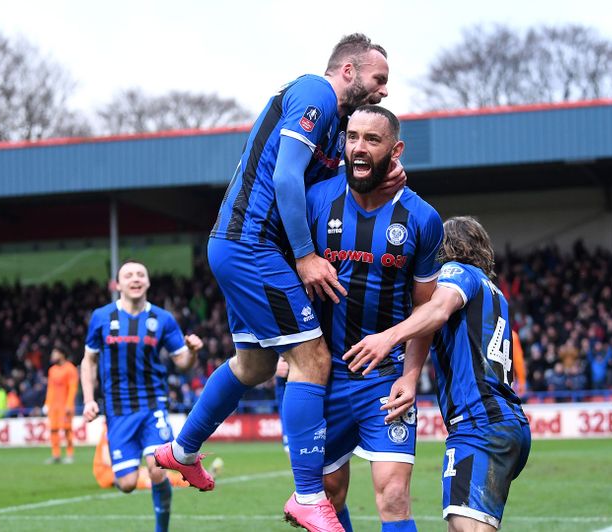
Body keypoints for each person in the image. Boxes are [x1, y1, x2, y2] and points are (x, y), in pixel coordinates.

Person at [155, 33, 397, 531]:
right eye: (379, 79)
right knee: (312, 360)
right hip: (254, 246)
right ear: (348, 71)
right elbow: (287, 178)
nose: (384, 91)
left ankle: (182, 449)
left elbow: (316, 187)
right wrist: (306, 256)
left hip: (242, 245)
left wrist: (376, 180)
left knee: (255, 363)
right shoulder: (314, 92)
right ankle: (308, 496)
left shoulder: (332, 126)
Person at [344, 216, 531, 532]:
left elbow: (437, 309)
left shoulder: (457, 272)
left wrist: (388, 337)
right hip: (507, 424)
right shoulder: (495, 293)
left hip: (478, 425)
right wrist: (411, 376)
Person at [308, 105, 442, 531]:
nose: (359, 148)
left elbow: (426, 308)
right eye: (352, 138)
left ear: (396, 149)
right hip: (323, 374)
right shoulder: (317, 200)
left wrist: (411, 375)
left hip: (385, 377)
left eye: (372, 139)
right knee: (328, 493)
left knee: (394, 495)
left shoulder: (421, 218)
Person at [81, 259, 203, 532]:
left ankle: (162, 529)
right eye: (129, 275)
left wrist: (193, 351)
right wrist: (89, 400)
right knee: (125, 485)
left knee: (156, 467)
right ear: (117, 284)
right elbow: (88, 360)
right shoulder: (102, 317)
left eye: (140, 275)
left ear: (147, 283)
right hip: (118, 409)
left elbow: (182, 362)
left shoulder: (162, 319)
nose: (135, 279)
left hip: (152, 405)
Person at [43, 345, 79, 464]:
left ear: (62, 354)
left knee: (67, 429)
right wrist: (47, 404)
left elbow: (73, 388)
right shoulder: (52, 370)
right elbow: (50, 388)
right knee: (53, 429)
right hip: (54, 406)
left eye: (55, 353)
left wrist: (69, 404)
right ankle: (56, 455)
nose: (53, 356)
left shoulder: (70, 369)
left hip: (65, 404)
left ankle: (70, 454)